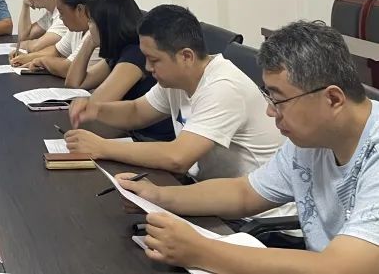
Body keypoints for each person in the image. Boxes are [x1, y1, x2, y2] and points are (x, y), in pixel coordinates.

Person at [117, 21, 379, 273]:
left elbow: (340, 267)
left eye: (278, 100)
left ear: (333, 99)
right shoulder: (312, 140)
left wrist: (201, 251)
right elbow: (244, 193)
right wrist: (159, 196)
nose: (270, 111)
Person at [66, 5, 284, 182]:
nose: (148, 68)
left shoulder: (224, 87)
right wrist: (96, 109)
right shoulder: (177, 80)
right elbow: (136, 111)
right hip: (209, 193)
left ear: (186, 57)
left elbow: (178, 157)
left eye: (154, 60)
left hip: (253, 216)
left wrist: (102, 147)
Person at [64, 0, 174, 141]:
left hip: (149, 139)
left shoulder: (135, 53)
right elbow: (74, 83)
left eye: (91, 22)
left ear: (105, 25)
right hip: (134, 134)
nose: (88, 28)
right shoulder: (119, 51)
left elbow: (96, 104)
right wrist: (89, 43)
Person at [11, 0, 100, 76]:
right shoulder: (76, 28)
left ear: (79, 9)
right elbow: (57, 51)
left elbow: (69, 68)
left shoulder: (95, 32)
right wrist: (28, 57)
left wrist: (41, 61)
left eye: (62, 12)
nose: (60, 17)